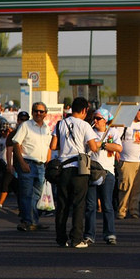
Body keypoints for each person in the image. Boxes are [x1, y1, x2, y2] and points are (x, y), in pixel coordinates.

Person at [49, 97, 99, 248]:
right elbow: (94, 147)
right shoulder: (84, 125)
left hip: (63, 169)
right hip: (79, 169)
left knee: (63, 204)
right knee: (78, 204)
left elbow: (53, 146)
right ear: (84, 110)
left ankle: (61, 238)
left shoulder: (60, 124)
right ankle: (77, 239)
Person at [84, 108, 122, 245]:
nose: (95, 121)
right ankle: (89, 234)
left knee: (107, 205)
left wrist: (103, 144)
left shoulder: (113, 132)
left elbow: (119, 147)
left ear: (105, 120)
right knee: (90, 205)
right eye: (94, 118)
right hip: (92, 171)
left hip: (107, 172)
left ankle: (110, 233)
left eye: (98, 118)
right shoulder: (89, 131)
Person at [13, 103, 52, 231]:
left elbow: (48, 146)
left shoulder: (47, 128)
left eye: (41, 111)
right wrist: (22, 163)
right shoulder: (26, 126)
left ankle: (33, 221)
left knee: (36, 195)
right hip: (28, 163)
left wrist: (48, 162)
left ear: (45, 113)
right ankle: (27, 221)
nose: (38, 114)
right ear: (32, 112)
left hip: (41, 166)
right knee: (26, 194)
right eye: (36, 111)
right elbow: (16, 144)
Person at [116, 104, 140, 219]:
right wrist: (116, 152)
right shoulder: (124, 124)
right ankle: (122, 210)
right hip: (126, 160)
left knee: (137, 187)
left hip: (139, 160)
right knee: (125, 186)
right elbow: (115, 138)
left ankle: (134, 209)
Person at [0, 112, 30, 209]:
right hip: (17, 165)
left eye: (25, 120)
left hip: (30, 163)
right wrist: (9, 165)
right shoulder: (13, 134)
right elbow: (9, 150)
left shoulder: (32, 132)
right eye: (21, 120)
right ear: (18, 120)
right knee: (20, 187)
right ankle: (22, 209)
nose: (23, 122)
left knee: (27, 189)